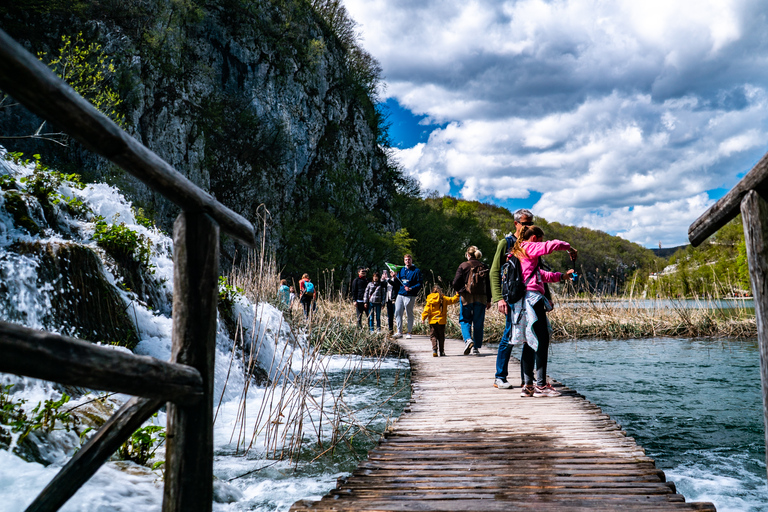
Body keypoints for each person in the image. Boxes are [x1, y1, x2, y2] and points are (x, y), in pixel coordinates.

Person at [510, 225, 577, 398]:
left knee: (529, 341)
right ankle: (540, 386)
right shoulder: (529, 247)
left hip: (523, 301)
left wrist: (562, 276)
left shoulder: (520, 252)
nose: (541, 243)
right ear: (534, 238)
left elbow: (540, 275)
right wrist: (569, 248)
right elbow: (552, 245)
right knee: (541, 340)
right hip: (533, 300)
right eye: (540, 239)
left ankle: (528, 386)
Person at [490, 209, 533, 389]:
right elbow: (494, 271)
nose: (529, 227)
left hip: (530, 297)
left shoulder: (533, 243)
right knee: (508, 335)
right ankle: (500, 377)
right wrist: (498, 298)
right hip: (511, 297)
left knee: (530, 336)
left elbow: (536, 272)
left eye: (531, 223)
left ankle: (527, 378)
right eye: (525, 223)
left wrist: (547, 296)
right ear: (516, 224)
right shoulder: (505, 243)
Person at [452, 245, 492, 356]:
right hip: (481, 298)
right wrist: (489, 300)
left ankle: (468, 340)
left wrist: (460, 290)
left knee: (465, 320)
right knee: (478, 322)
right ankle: (476, 348)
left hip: (466, 297)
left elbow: (455, 282)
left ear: (468, 255)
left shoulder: (463, 265)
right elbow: (488, 285)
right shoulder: (484, 266)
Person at [421, 285, 460, 357]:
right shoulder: (444, 298)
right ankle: (442, 352)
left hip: (432, 321)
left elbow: (426, 310)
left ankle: (434, 350)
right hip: (441, 321)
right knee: (441, 336)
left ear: (432, 291)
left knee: (433, 336)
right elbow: (453, 300)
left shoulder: (430, 299)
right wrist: (457, 294)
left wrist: (423, 318)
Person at [393, 254, 422, 339]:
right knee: (398, 312)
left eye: (409, 259)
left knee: (409, 313)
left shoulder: (416, 271)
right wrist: (394, 277)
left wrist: (411, 288)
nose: (407, 261)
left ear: (411, 260)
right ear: (404, 261)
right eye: (406, 260)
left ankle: (409, 332)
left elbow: (420, 283)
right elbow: (398, 282)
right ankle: (399, 332)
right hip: (400, 294)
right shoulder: (402, 270)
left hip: (410, 295)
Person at [382, 269, 400, 334]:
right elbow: (382, 285)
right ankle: (390, 330)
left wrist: (388, 279)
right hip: (388, 299)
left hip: (394, 299)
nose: (392, 273)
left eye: (393, 272)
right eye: (391, 272)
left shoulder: (397, 280)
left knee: (397, 315)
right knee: (390, 316)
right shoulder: (388, 280)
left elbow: (395, 285)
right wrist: (382, 279)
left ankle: (399, 330)